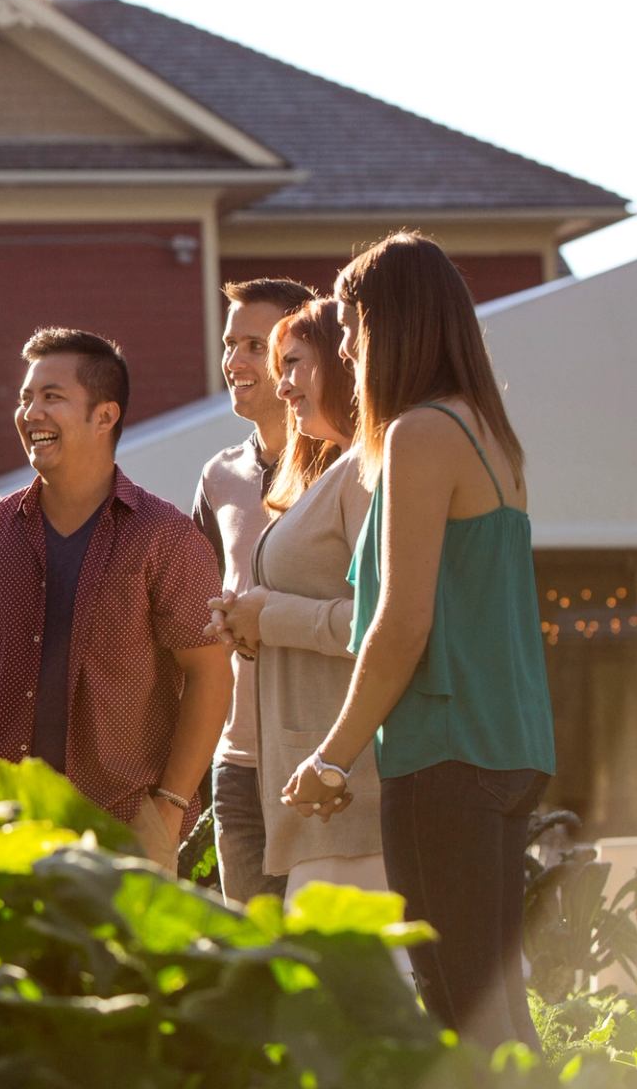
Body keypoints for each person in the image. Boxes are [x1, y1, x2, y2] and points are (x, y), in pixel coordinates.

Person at [283, 232, 555, 1050]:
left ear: (387, 327)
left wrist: (332, 755)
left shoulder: (418, 435)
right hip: (512, 748)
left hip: (445, 755)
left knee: (459, 1012)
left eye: (354, 332)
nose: (351, 353)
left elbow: (402, 621)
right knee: (498, 1010)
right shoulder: (490, 435)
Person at [0, 328, 230, 868]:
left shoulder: (166, 538)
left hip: (126, 829)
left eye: (51, 397)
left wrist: (170, 805)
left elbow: (210, 673)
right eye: (25, 398)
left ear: (104, 415)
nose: (30, 413)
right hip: (6, 828)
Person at [208, 298, 382, 906]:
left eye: (284, 359)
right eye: (233, 345)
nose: (278, 382)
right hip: (262, 765)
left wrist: (268, 617)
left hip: (338, 772)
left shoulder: (366, 470)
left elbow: (386, 619)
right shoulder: (224, 477)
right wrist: (234, 617)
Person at [192, 278, 315, 904]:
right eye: (228, 344)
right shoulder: (219, 476)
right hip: (236, 767)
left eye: (253, 345)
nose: (234, 362)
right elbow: (195, 610)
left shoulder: (347, 468)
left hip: (325, 761)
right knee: (257, 968)